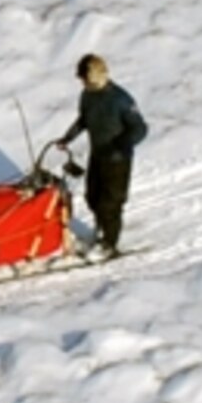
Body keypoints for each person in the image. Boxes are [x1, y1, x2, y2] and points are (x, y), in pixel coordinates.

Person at [57, 53, 148, 256]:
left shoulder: (121, 99)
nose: (81, 82)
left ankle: (110, 244)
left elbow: (140, 129)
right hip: (98, 155)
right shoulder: (87, 95)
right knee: (92, 197)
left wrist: (122, 144)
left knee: (111, 204)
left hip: (117, 160)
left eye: (84, 78)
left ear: (95, 76)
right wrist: (67, 138)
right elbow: (84, 120)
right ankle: (101, 229)